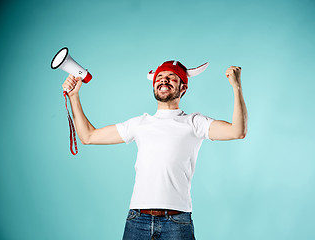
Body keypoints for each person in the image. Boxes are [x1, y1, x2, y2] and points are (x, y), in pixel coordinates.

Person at [62, 60, 248, 240]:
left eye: (172, 76)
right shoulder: (139, 123)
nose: (164, 79)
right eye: (160, 76)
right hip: (137, 219)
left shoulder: (195, 122)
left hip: (176, 221)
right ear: (154, 85)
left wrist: (236, 86)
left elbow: (237, 131)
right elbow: (88, 136)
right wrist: (73, 96)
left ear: (183, 88)